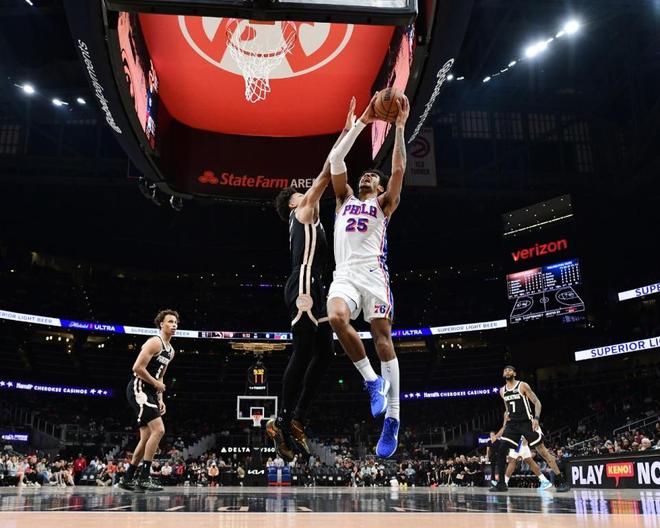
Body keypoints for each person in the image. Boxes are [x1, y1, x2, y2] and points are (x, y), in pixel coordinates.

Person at [268, 100, 357, 461]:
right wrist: (347, 132)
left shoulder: (315, 219)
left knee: (326, 354)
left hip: (317, 285)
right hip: (303, 283)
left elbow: (325, 171)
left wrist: (344, 135)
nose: (303, 195)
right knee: (304, 350)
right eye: (298, 194)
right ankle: (282, 418)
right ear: (293, 204)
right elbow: (325, 172)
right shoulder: (302, 212)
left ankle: (298, 418)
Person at [326, 91, 410, 457]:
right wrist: (362, 121)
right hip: (345, 273)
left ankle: (393, 418)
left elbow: (398, 170)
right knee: (335, 317)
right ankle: (372, 381)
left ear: (378, 187)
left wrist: (400, 127)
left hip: (374, 273)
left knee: (382, 339)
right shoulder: (343, 199)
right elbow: (335, 159)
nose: (366, 176)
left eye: (372, 176)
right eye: (364, 174)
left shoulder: (384, 203)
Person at [119, 309, 178, 492]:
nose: (174, 325)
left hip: (150, 391)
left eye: (176, 322)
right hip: (138, 387)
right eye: (170, 321)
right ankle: (144, 477)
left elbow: (160, 377)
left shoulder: (171, 351)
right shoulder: (154, 342)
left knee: (146, 437)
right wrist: (155, 384)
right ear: (161, 324)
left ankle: (127, 478)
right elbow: (137, 368)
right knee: (159, 430)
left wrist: (160, 398)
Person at [491, 365, 570, 492]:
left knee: (543, 452)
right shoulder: (502, 390)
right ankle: (501, 483)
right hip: (513, 425)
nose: (507, 371)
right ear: (503, 374)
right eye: (505, 370)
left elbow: (537, 402)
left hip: (527, 423)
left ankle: (562, 481)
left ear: (514, 373)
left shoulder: (522, 385)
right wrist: (506, 418)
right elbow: (507, 408)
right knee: (501, 450)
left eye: (510, 370)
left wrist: (536, 418)